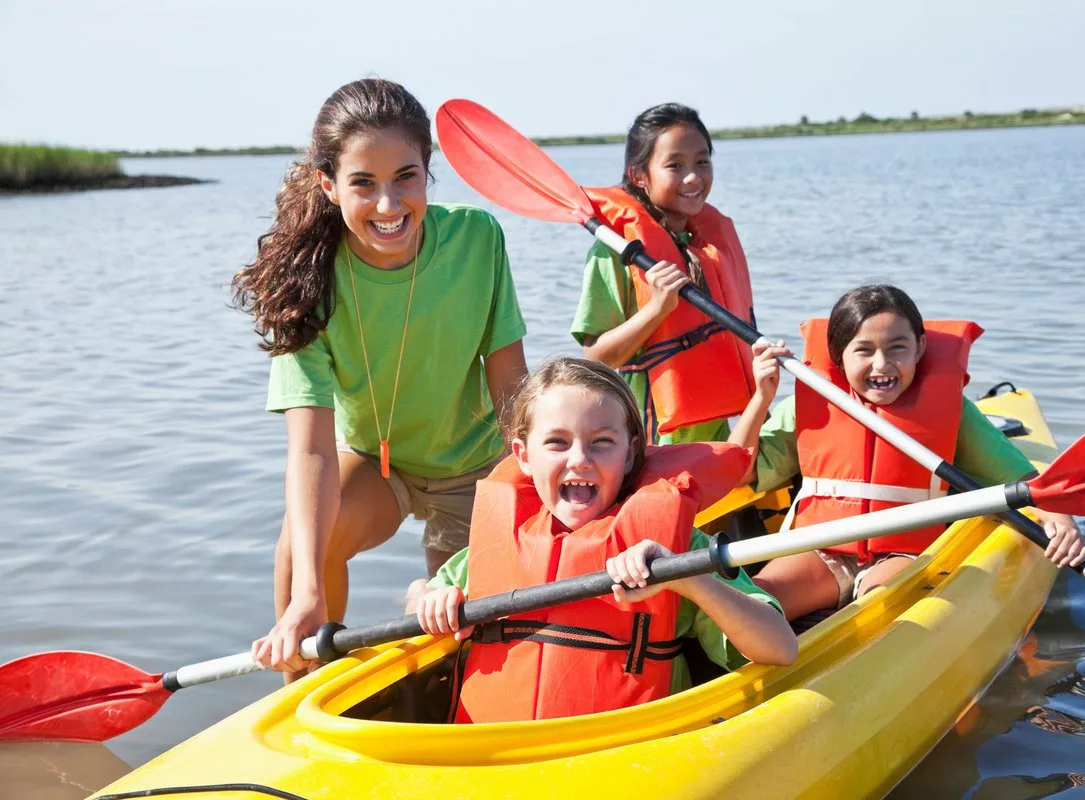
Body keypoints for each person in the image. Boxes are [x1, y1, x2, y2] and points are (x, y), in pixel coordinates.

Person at [234, 79, 528, 677]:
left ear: (428, 172)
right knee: (301, 551)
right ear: (328, 184)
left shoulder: (477, 238)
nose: (389, 205)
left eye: (406, 177)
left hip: (476, 465)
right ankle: (300, 691)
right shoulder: (305, 282)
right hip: (376, 462)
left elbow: (512, 390)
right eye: (363, 184)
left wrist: (526, 492)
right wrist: (307, 596)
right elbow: (312, 450)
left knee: (457, 636)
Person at [407, 357, 796, 723]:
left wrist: (687, 579)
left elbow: (780, 647)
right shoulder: (490, 549)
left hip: (622, 752)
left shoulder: (673, 548)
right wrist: (428, 596)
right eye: (557, 442)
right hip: (495, 754)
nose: (579, 459)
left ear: (630, 455)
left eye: (602, 442)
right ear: (523, 456)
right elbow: (418, 601)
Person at [728, 285, 1085, 620]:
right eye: (864, 350)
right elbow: (740, 471)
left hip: (905, 553)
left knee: (876, 610)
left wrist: (1062, 522)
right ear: (839, 355)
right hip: (821, 548)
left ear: (919, 347)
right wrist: (762, 397)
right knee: (754, 604)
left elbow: (1027, 483)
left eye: (897, 347)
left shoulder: (953, 414)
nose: (882, 364)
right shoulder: (806, 407)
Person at [570, 103, 756, 444]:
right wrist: (657, 309)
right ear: (640, 176)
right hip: (649, 438)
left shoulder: (707, 244)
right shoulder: (615, 250)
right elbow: (596, 356)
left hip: (713, 432)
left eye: (702, 161)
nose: (693, 177)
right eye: (675, 165)